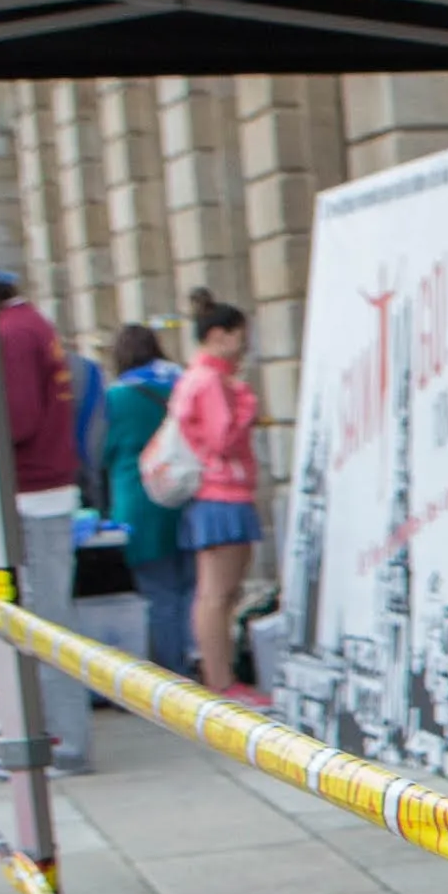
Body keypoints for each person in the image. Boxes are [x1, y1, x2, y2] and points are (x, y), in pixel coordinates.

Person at [0, 276, 92, 767]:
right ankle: (59, 735)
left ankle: (67, 743)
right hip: (45, 490)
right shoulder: (31, 325)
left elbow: (17, 418)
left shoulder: (12, 333)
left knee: (47, 624)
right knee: (49, 618)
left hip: (34, 494)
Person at [165, 294, 263, 702]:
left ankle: (220, 678)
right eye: (241, 338)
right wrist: (246, 406)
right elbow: (222, 439)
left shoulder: (199, 378)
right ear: (220, 335)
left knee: (219, 594)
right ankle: (221, 682)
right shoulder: (210, 381)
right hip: (221, 495)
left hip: (219, 495)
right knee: (217, 594)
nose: (244, 348)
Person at [92, 327, 179, 669]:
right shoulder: (179, 385)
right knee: (190, 586)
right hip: (182, 495)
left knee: (157, 592)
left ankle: (175, 673)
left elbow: (101, 451)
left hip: (138, 502)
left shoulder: (115, 398)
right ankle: (198, 658)